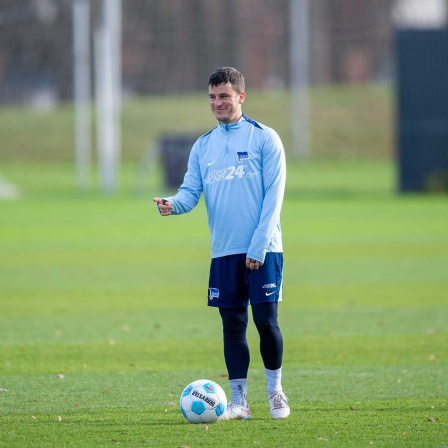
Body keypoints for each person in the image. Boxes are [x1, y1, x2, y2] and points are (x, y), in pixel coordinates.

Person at [153, 67, 289, 420]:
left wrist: (258, 247)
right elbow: (190, 192)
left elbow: (274, 198)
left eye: (224, 96)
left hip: (264, 249)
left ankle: (275, 392)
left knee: (266, 321)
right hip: (224, 252)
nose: (217, 103)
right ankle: (239, 402)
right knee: (232, 326)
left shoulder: (265, 138)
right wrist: (173, 205)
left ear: (241, 96)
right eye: (212, 97)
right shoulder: (204, 145)